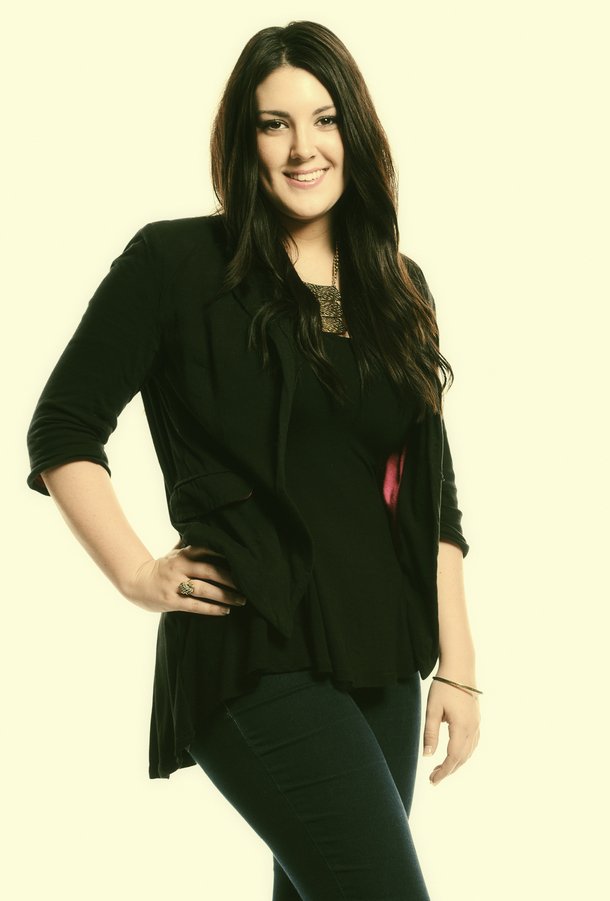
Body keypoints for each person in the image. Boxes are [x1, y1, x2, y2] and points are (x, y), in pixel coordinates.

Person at [26, 20, 480, 901]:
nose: (304, 147)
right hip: (252, 646)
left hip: (381, 656)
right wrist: (136, 573)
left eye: (324, 119)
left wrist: (456, 666)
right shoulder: (174, 263)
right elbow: (64, 427)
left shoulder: (398, 286)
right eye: (275, 124)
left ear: (355, 130)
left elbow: (434, 497)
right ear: (245, 141)